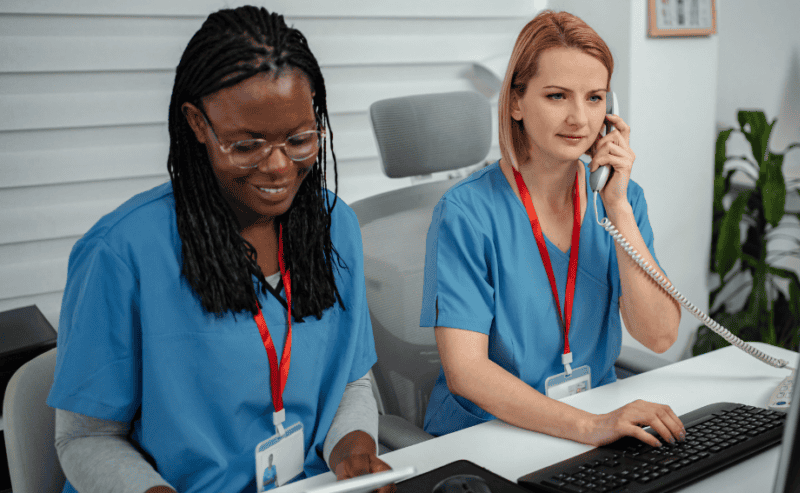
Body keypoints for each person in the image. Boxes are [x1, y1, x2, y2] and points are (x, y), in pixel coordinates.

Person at [47, 6, 392, 492]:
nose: (278, 167)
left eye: (299, 139)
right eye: (247, 145)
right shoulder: (121, 252)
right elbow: (84, 438)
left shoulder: (335, 228)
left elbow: (351, 381)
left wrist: (353, 450)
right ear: (197, 124)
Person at [420, 10, 685, 447]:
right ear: (516, 103)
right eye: (558, 96)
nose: (580, 119)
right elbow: (465, 371)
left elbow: (659, 335)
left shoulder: (621, 199)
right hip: (490, 436)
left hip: (592, 423)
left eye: (595, 98)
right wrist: (589, 427)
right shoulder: (465, 213)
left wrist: (616, 206)